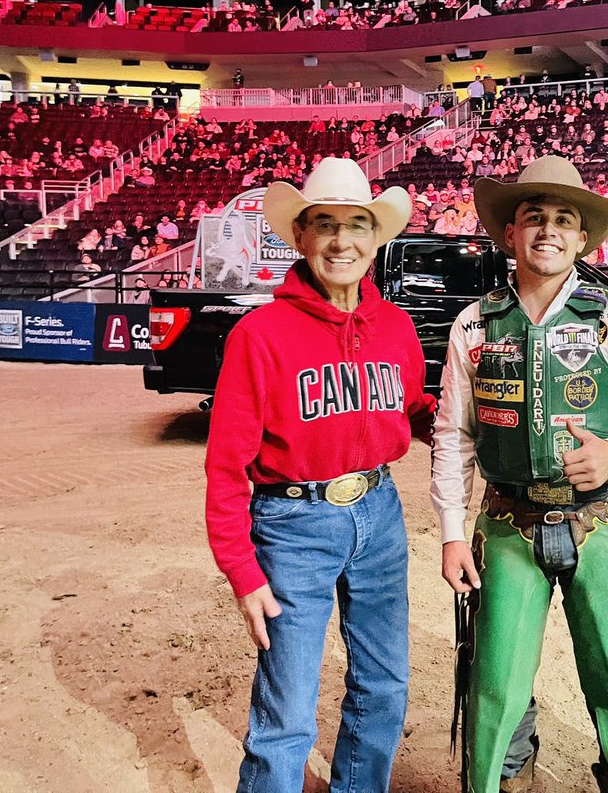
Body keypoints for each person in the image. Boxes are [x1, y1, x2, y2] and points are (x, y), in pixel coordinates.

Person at [432, 155, 608, 793]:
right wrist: (452, 532)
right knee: (493, 688)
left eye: (563, 220)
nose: (548, 230)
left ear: (582, 237)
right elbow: (454, 435)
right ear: (508, 233)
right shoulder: (474, 323)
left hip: (599, 520)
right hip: (506, 525)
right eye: (533, 217)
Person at [205, 158, 437, 793]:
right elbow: (226, 465)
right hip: (293, 523)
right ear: (301, 237)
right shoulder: (260, 335)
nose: (343, 241)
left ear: (376, 237)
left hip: (380, 516)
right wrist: (242, 571)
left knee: (385, 686)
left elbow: (414, 410)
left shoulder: (395, 326)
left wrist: (484, 422)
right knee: (286, 712)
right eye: (326, 225)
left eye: (357, 225)